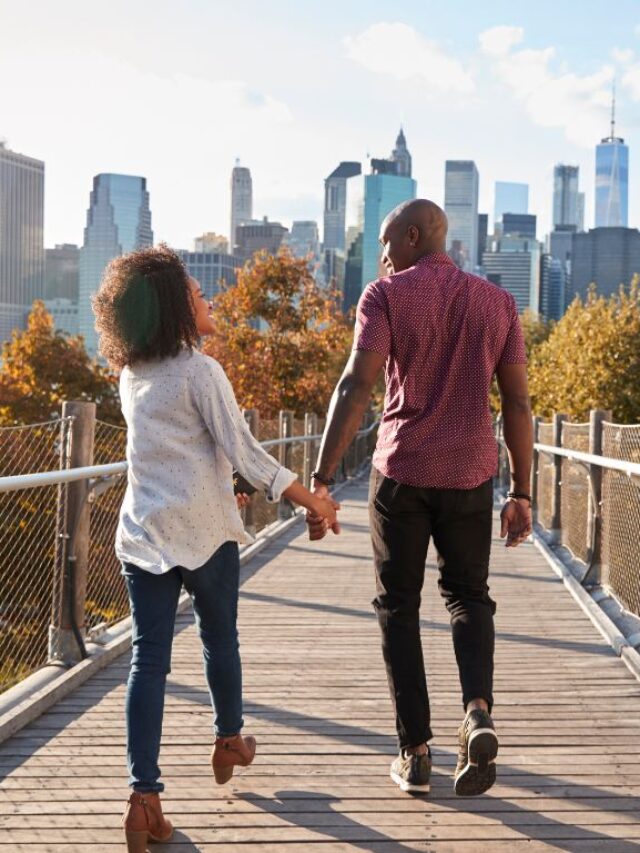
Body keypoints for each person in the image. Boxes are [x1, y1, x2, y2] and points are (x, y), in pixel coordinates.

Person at [92, 246, 340, 852]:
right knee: (218, 639)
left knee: (147, 662)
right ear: (178, 306)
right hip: (204, 535)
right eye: (201, 295)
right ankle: (229, 738)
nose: (211, 301)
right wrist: (311, 500)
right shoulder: (200, 370)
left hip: (145, 535)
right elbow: (245, 449)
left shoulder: (132, 375)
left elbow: (174, 451)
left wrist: (224, 480)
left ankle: (143, 797)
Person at [306, 199, 532, 797]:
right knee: (468, 597)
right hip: (470, 475)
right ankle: (478, 711)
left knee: (398, 607)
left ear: (413, 236)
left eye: (385, 243)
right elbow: (517, 403)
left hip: (402, 472)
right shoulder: (499, 303)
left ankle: (415, 751)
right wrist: (523, 490)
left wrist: (323, 477)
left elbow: (358, 384)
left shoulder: (384, 297)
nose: (381, 256)